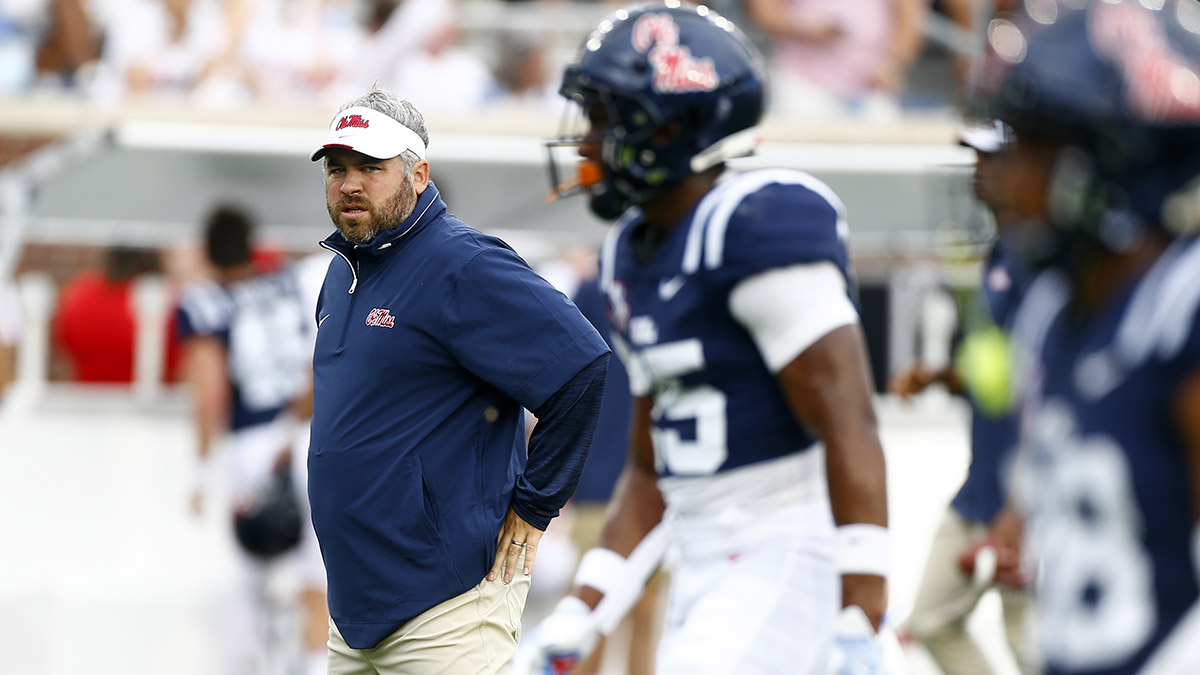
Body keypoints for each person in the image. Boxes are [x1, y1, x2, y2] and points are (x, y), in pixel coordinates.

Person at [518, 3, 892, 673]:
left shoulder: (755, 223)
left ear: (667, 125)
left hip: (784, 549)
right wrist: (584, 608)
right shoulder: (629, 253)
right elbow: (650, 465)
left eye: (604, 120)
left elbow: (849, 416)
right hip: (702, 560)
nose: (583, 144)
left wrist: (863, 606)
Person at [306, 86, 610, 674]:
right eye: (338, 168)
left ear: (418, 173)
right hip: (354, 613)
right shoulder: (345, 270)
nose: (349, 183)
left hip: (447, 610)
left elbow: (581, 366)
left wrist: (535, 506)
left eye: (371, 167)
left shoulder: (461, 263)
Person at [978, 2, 1200, 673]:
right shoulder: (1053, 313)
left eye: (1035, 150)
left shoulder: (1180, 307)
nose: (1005, 180)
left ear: (1109, 159)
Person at [890, 121, 1037, 675]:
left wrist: (1021, 503)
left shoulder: (1043, 260)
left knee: (1032, 643)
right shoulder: (1006, 251)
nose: (978, 174)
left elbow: (1045, 387)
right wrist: (938, 377)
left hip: (1025, 496)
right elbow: (998, 373)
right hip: (980, 485)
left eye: (991, 160)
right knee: (929, 619)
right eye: (975, 161)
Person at [176, 204, 329, 675]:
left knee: (251, 577)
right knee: (317, 569)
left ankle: (243, 666)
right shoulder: (287, 281)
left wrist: (200, 471)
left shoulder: (202, 302)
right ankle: (312, 665)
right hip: (309, 431)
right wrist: (292, 426)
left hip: (253, 447)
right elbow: (315, 361)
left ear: (207, 250)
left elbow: (211, 394)